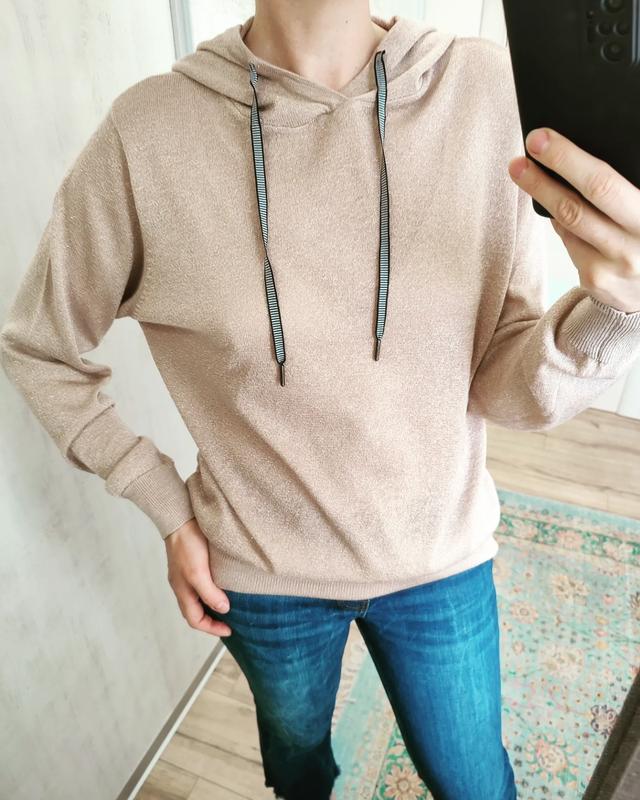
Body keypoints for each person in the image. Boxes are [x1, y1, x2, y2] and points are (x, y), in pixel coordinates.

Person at [3, 1, 640, 798]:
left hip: (439, 555)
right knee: (299, 765)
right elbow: (37, 346)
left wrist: (612, 314)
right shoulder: (147, 137)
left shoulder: (481, 90)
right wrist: (162, 501)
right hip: (264, 576)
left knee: (477, 783)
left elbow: (502, 379)